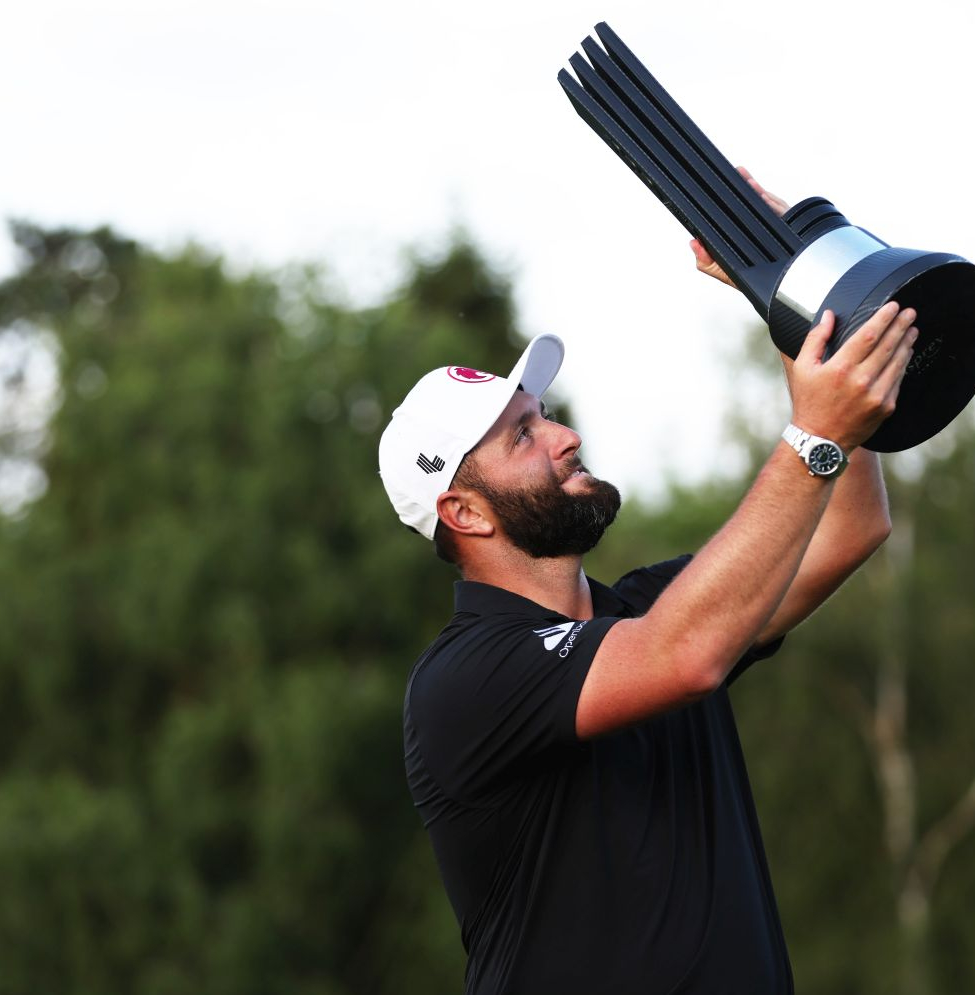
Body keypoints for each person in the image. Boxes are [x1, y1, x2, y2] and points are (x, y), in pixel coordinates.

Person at [379, 174, 920, 995]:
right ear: (464, 510)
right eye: (524, 435)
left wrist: (788, 299)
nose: (564, 436)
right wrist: (812, 431)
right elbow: (685, 655)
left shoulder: (647, 611)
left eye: (546, 413)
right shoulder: (465, 678)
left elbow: (848, 527)